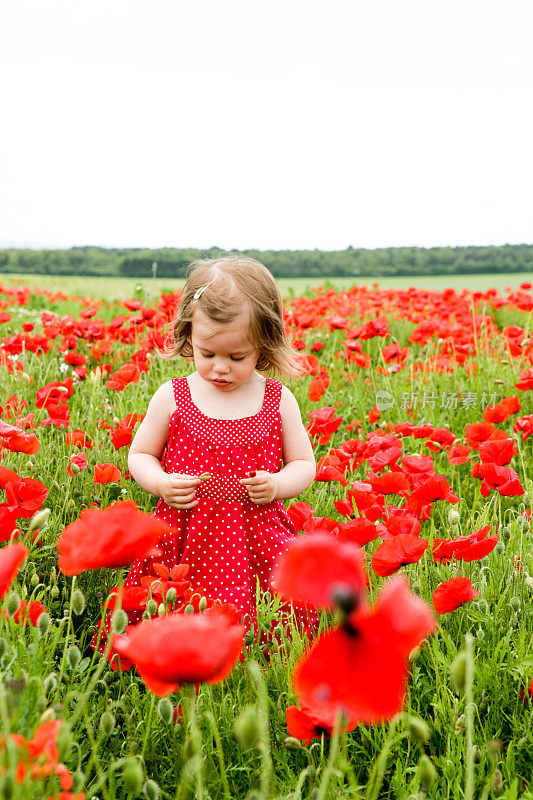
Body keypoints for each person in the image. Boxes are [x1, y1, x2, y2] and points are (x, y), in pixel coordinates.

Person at [91, 255, 317, 660]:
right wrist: (160, 482)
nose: (220, 368)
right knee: (175, 605)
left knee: (268, 614)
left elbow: (304, 464)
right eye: (207, 352)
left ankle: (254, 669)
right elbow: (140, 453)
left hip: (255, 532)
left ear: (264, 346)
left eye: (237, 357)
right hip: (184, 529)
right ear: (188, 335)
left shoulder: (277, 399)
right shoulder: (173, 396)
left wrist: (278, 484)